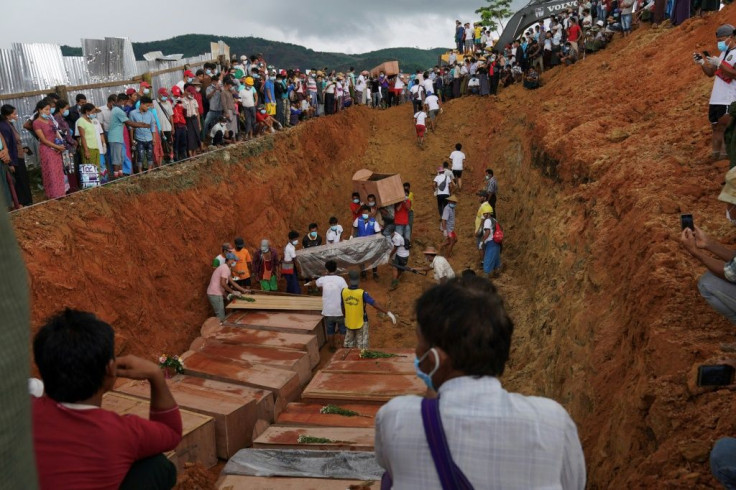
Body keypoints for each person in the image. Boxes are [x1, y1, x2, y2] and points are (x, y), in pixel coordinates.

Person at [374, 277, 586, 489]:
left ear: (435, 359)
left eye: (419, 343)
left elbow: (391, 467)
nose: (417, 353)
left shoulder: (396, 417)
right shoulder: (553, 421)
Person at [32, 309, 183, 489]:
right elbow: (171, 433)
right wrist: (156, 375)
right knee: (157, 466)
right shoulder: (121, 433)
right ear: (110, 369)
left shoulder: (21, 413)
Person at [693, 25, 736, 161]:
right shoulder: (723, 53)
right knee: (716, 128)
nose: (720, 44)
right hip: (716, 98)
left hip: (729, 98)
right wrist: (702, 63)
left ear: (732, 37)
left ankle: (724, 161)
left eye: (722, 40)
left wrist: (720, 64)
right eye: (718, 41)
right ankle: (715, 158)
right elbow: (711, 73)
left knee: (725, 129)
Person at [341, 270, 396, 349]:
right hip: (361, 323)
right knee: (362, 345)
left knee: (349, 345)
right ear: (358, 280)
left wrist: (346, 317)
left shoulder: (343, 292)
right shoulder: (362, 293)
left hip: (349, 322)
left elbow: (342, 307)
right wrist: (388, 312)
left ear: (349, 280)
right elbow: (374, 304)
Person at [305, 260, 348, 351]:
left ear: (327, 269)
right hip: (339, 311)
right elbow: (346, 292)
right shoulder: (341, 280)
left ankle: (332, 347)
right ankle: (344, 349)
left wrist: (308, 283)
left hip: (328, 311)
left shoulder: (323, 279)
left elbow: (314, 283)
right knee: (342, 330)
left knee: (330, 331)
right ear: (336, 269)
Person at [32, 99, 66, 199]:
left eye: (49, 110)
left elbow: (56, 133)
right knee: (51, 171)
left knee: (58, 171)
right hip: (47, 149)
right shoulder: (36, 123)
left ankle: (61, 193)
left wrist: (61, 144)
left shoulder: (50, 121)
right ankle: (53, 194)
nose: (48, 112)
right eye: (46, 110)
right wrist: (56, 146)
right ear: (39, 110)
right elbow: (43, 139)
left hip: (56, 148)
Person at [0, 105, 32, 206]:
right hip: (14, 158)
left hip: (18, 156)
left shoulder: (9, 124)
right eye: (13, 114)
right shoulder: (4, 126)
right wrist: (11, 163)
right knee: (19, 181)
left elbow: (13, 143)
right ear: (7, 115)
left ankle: (27, 201)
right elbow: (8, 145)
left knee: (23, 180)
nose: (16, 116)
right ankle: (22, 202)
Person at [207, 253, 248, 321]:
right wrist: (233, 292)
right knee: (221, 317)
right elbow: (223, 283)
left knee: (221, 314)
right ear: (230, 260)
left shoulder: (226, 268)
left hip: (215, 293)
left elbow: (232, 282)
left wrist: (243, 290)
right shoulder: (225, 269)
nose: (234, 262)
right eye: (234, 260)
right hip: (215, 294)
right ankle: (219, 330)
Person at [352, 205, 382, 280]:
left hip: (371, 244)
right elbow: (354, 227)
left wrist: (379, 240)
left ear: (369, 213)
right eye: (363, 213)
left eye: (366, 213)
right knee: (362, 258)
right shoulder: (358, 220)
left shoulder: (374, 222)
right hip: (361, 243)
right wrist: (352, 236)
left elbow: (378, 232)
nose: (364, 214)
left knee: (373, 258)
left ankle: (375, 273)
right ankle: (363, 272)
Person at [481, 206, 502, 277]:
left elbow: (487, 232)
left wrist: (483, 241)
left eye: (484, 213)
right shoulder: (494, 220)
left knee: (488, 260)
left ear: (487, 213)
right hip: (497, 243)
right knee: (496, 259)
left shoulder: (487, 221)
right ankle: (497, 274)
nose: (483, 215)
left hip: (491, 242)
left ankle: (485, 279)